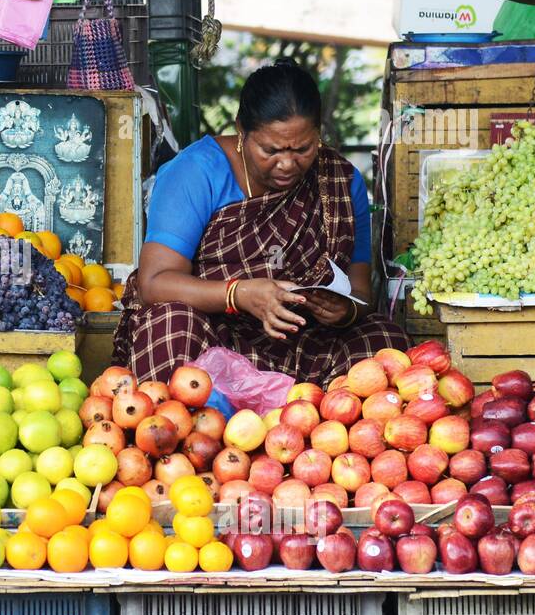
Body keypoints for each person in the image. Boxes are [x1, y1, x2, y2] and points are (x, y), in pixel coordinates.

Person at [114, 59, 410, 387]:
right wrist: (238, 295)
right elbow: (155, 283)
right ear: (242, 130)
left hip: (308, 339)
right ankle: (197, 427)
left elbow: (361, 293)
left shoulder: (339, 179)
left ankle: (325, 422)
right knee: (169, 324)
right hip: (215, 336)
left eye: (303, 148)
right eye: (270, 149)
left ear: (319, 133)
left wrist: (345, 311)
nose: (287, 163)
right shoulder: (196, 171)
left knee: (384, 338)